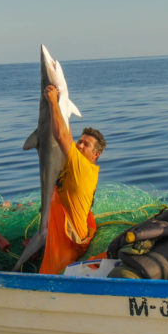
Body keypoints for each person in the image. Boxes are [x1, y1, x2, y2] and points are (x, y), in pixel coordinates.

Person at [38, 83, 106, 275]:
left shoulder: (82, 167)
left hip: (69, 240)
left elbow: (61, 135)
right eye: (80, 141)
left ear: (96, 154)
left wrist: (52, 101)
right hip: (75, 234)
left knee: (50, 275)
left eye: (87, 145)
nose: (80, 145)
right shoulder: (75, 164)